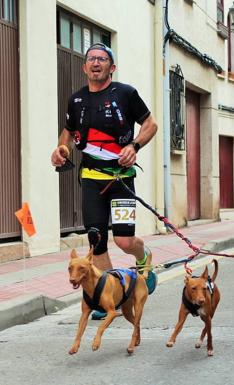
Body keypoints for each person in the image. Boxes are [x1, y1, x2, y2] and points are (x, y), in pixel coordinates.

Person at [51, 43, 158, 319]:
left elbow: (150, 125)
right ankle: (108, 294)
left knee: (123, 240)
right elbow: (69, 131)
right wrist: (61, 149)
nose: (96, 63)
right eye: (91, 59)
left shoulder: (126, 94)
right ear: (84, 67)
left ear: (112, 67)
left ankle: (143, 259)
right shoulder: (76, 100)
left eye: (102, 59)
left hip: (121, 179)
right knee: (96, 240)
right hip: (91, 179)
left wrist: (133, 146)